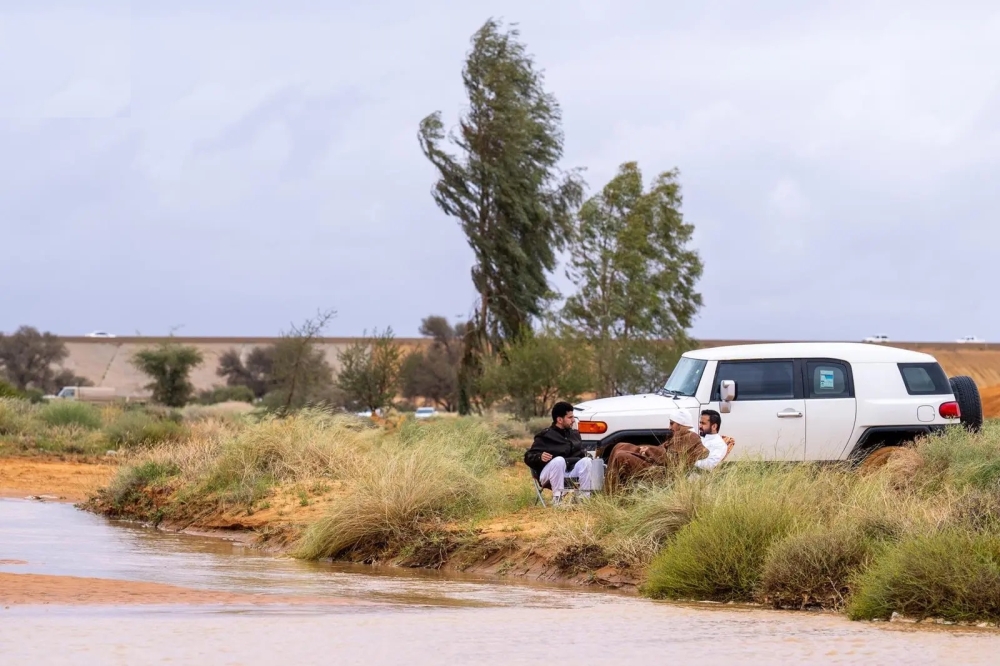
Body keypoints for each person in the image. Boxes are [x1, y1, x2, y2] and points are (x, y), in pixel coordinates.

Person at [605, 411, 708, 491]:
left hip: (663, 474)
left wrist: (649, 450)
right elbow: (662, 450)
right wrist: (644, 450)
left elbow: (672, 461)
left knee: (621, 456)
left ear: (681, 424)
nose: (669, 427)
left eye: (672, 424)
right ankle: (610, 491)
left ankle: (613, 497)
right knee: (620, 446)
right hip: (657, 465)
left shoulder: (691, 437)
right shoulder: (680, 435)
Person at [524, 401, 596, 504]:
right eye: (570, 417)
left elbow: (581, 454)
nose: (573, 420)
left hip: (569, 472)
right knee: (559, 460)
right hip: (548, 474)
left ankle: (584, 499)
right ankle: (557, 500)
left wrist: (588, 456)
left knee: (587, 461)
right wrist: (540, 457)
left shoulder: (574, 434)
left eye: (573, 417)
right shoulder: (546, 436)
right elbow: (528, 456)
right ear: (559, 419)